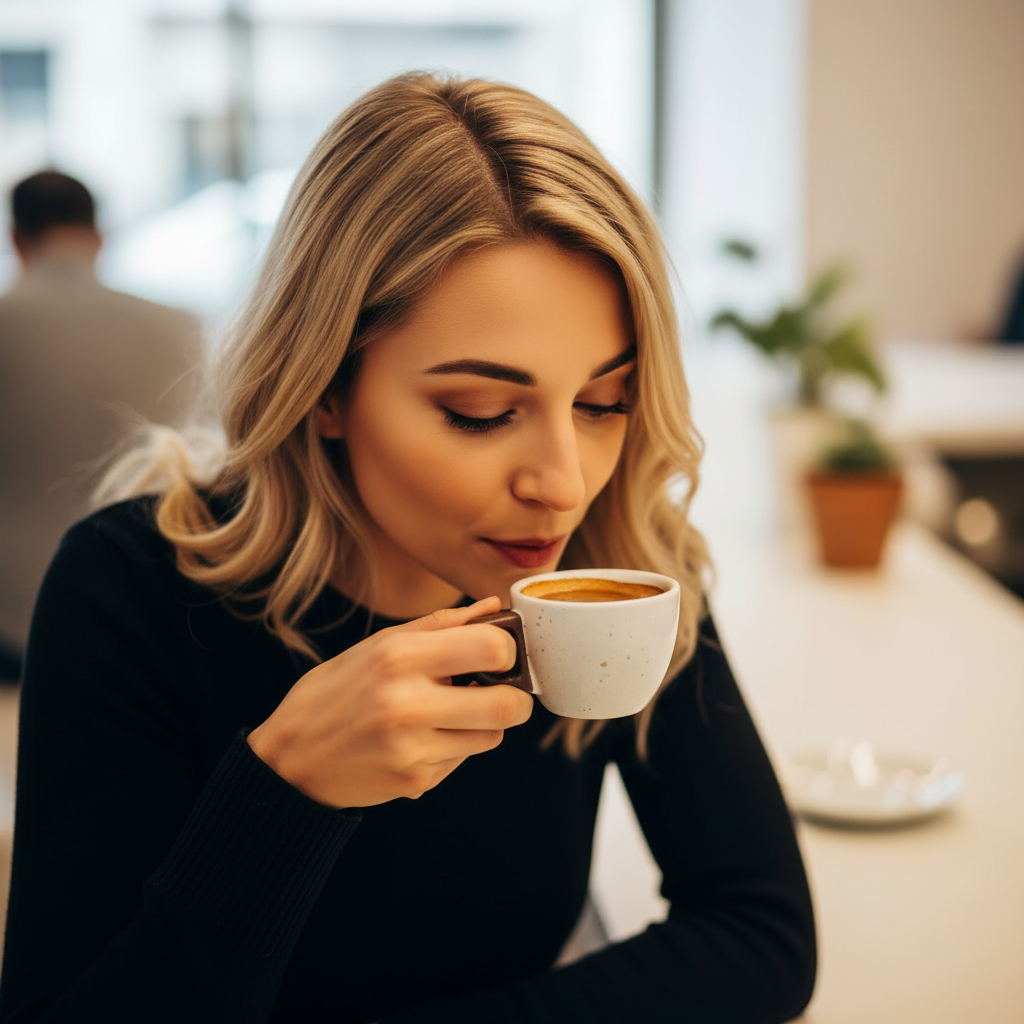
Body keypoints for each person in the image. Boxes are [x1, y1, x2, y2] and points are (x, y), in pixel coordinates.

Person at [0, 74, 816, 1023]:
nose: (561, 480)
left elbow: (762, 934)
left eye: (602, 403)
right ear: (325, 388)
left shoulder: (614, 566)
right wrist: (285, 790)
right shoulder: (127, 589)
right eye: (480, 412)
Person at [0, 170, 200, 678]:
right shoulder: (179, 325)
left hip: (10, 615)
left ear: (16, 239)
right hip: (151, 607)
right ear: (98, 236)